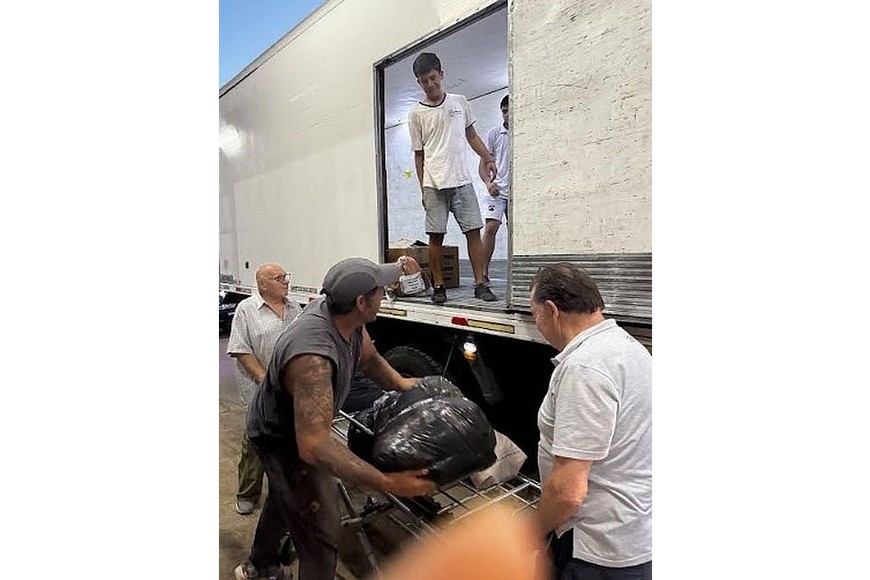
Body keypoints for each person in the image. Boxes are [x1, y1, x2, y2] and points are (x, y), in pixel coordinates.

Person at [234, 256, 438, 580]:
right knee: (320, 528)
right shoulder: (312, 358)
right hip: (279, 436)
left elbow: (368, 359)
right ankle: (269, 565)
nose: (384, 295)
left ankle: (259, 566)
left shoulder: (347, 319)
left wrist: (402, 384)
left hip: (294, 427)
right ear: (361, 302)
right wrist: (384, 481)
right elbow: (314, 446)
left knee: (285, 498)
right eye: (380, 291)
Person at [529, 263, 651, 580]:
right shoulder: (629, 349)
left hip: (597, 550)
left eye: (534, 314)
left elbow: (568, 492)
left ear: (552, 310)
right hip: (632, 534)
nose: (536, 323)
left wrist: (528, 533)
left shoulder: (585, 368)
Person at [408, 51, 499, 305]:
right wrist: (422, 189)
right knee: (436, 236)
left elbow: (472, 136)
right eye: (424, 81)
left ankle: (481, 284)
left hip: (462, 179)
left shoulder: (459, 102)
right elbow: (419, 155)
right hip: (433, 184)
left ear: (441, 75)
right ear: (419, 83)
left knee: (474, 230)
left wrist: (488, 158)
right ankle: (439, 286)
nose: (430, 84)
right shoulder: (416, 114)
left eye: (433, 78)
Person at [227, 263, 301, 516]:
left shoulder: (294, 308)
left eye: (286, 276)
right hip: (259, 389)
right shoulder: (246, 310)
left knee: (288, 439)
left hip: (290, 388)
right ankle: (247, 493)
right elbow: (240, 349)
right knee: (256, 441)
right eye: (279, 278)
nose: (286, 281)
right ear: (262, 284)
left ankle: (285, 492)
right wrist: (265, 379)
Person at [478, 94, 510, 286]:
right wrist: (488, 184)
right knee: (490, 228)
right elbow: (482, 165)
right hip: (497, 190)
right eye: (504, 111)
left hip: (517, 193)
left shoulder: (523, 133)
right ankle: (482, 273)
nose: (506, 115)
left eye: (509, 111)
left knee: (516, 232)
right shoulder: (494, 134)